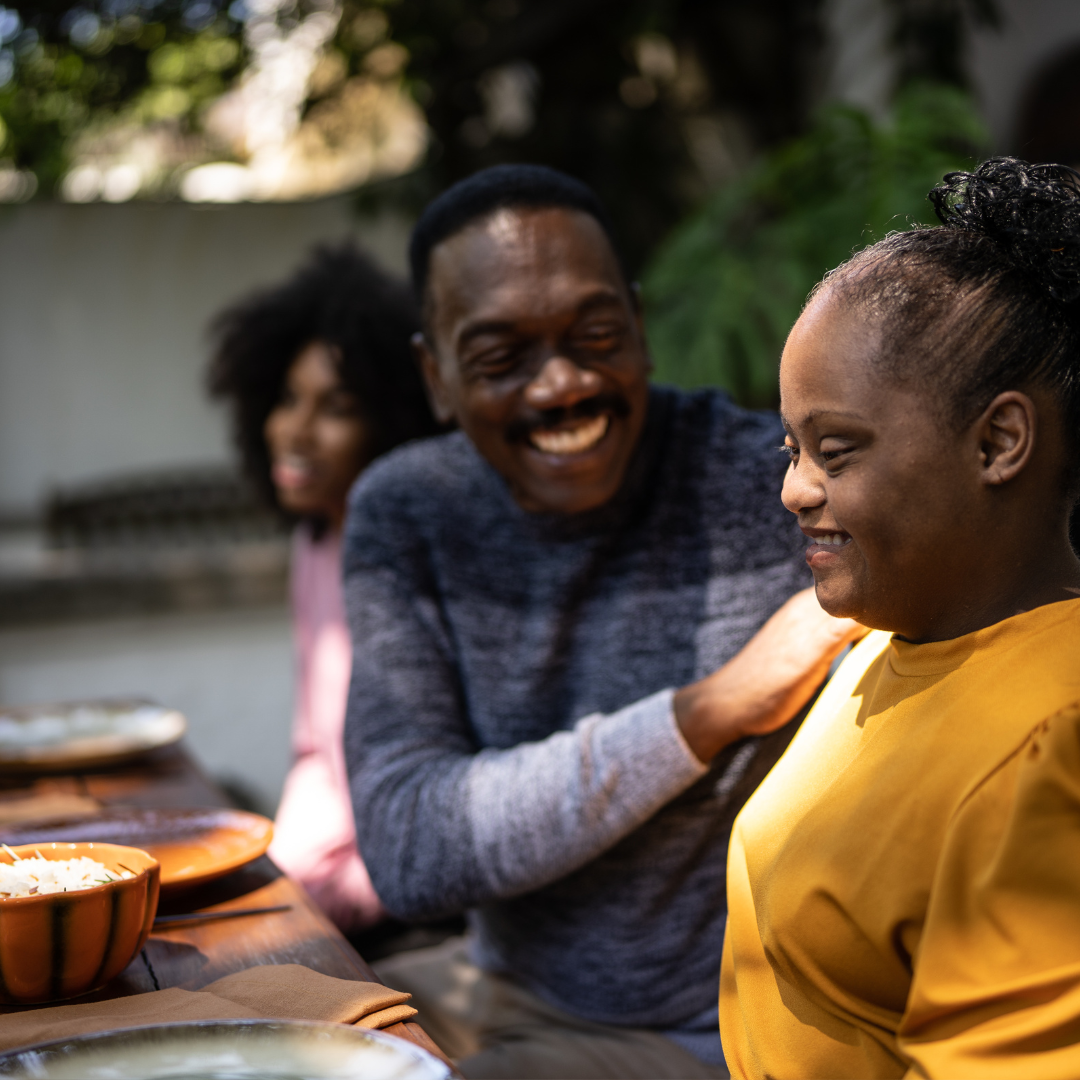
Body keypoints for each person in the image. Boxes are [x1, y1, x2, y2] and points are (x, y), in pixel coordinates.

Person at [340, 164, 861, 1079]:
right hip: (501, 986)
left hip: (724, 1027)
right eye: (502, 356)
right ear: (435, 375)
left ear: (641, 325)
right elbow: (410, 846)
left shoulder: (774, 488)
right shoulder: (409, 512)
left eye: (595, 334)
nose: (564, 385)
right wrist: (711, 709)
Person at [719, 157, 1080, 1079]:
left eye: (836, 450)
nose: (795, 489)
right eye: (792, 445)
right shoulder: (893, 634)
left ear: (999, 441)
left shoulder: (1054, 742)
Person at [207, 242, 441, 933]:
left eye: (335, 407)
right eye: (285, 399)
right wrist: (279, 869)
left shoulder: (416, 563)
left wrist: (310, 897)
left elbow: (433, 803)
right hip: (323, 891)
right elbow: (315, 751)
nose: (296, 431)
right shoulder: (313, 544)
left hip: (405, 904)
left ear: (390, 422)